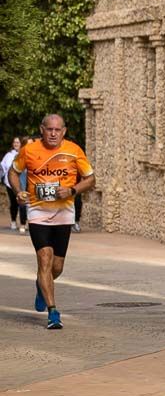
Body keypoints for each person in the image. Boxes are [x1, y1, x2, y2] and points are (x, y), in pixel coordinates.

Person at [7, 115, 95, 329]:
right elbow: (13, 172)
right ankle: (53, 312)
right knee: (44, 259)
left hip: (64, 213)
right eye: (49, 129)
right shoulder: (29, 150)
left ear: (64, 131)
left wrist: (72, 190)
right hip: (37, 212)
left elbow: (91, 179)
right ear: (42, 130)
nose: (53, 133)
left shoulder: (74, 150)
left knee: (57, 266)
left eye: (57, 130)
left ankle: (41, 284)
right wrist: (18, 191)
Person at [2, 136, 26, 234]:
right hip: (9, 184)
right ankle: (13, 221)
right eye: (14, 142)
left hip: (22, 183)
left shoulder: (24, 153)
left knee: (22, 203)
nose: (16, 144)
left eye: (18, 142)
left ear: (21, 143)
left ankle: (23, 224)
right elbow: (3, 167)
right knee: (14, 203)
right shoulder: (8, 155)